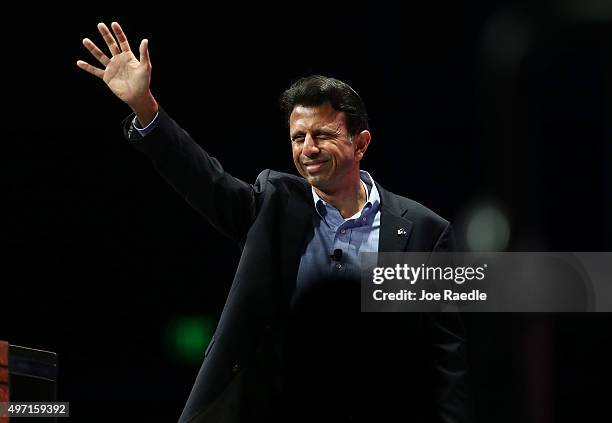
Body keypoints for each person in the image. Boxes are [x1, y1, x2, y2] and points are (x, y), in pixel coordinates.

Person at [77, 22, 470, 423]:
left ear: (361, 143)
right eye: (298, 138)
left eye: (322, 135)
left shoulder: (423, 230)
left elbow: (446, 360)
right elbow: (201, 177)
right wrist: (145, 107)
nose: (308, 149)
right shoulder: (274, 204)